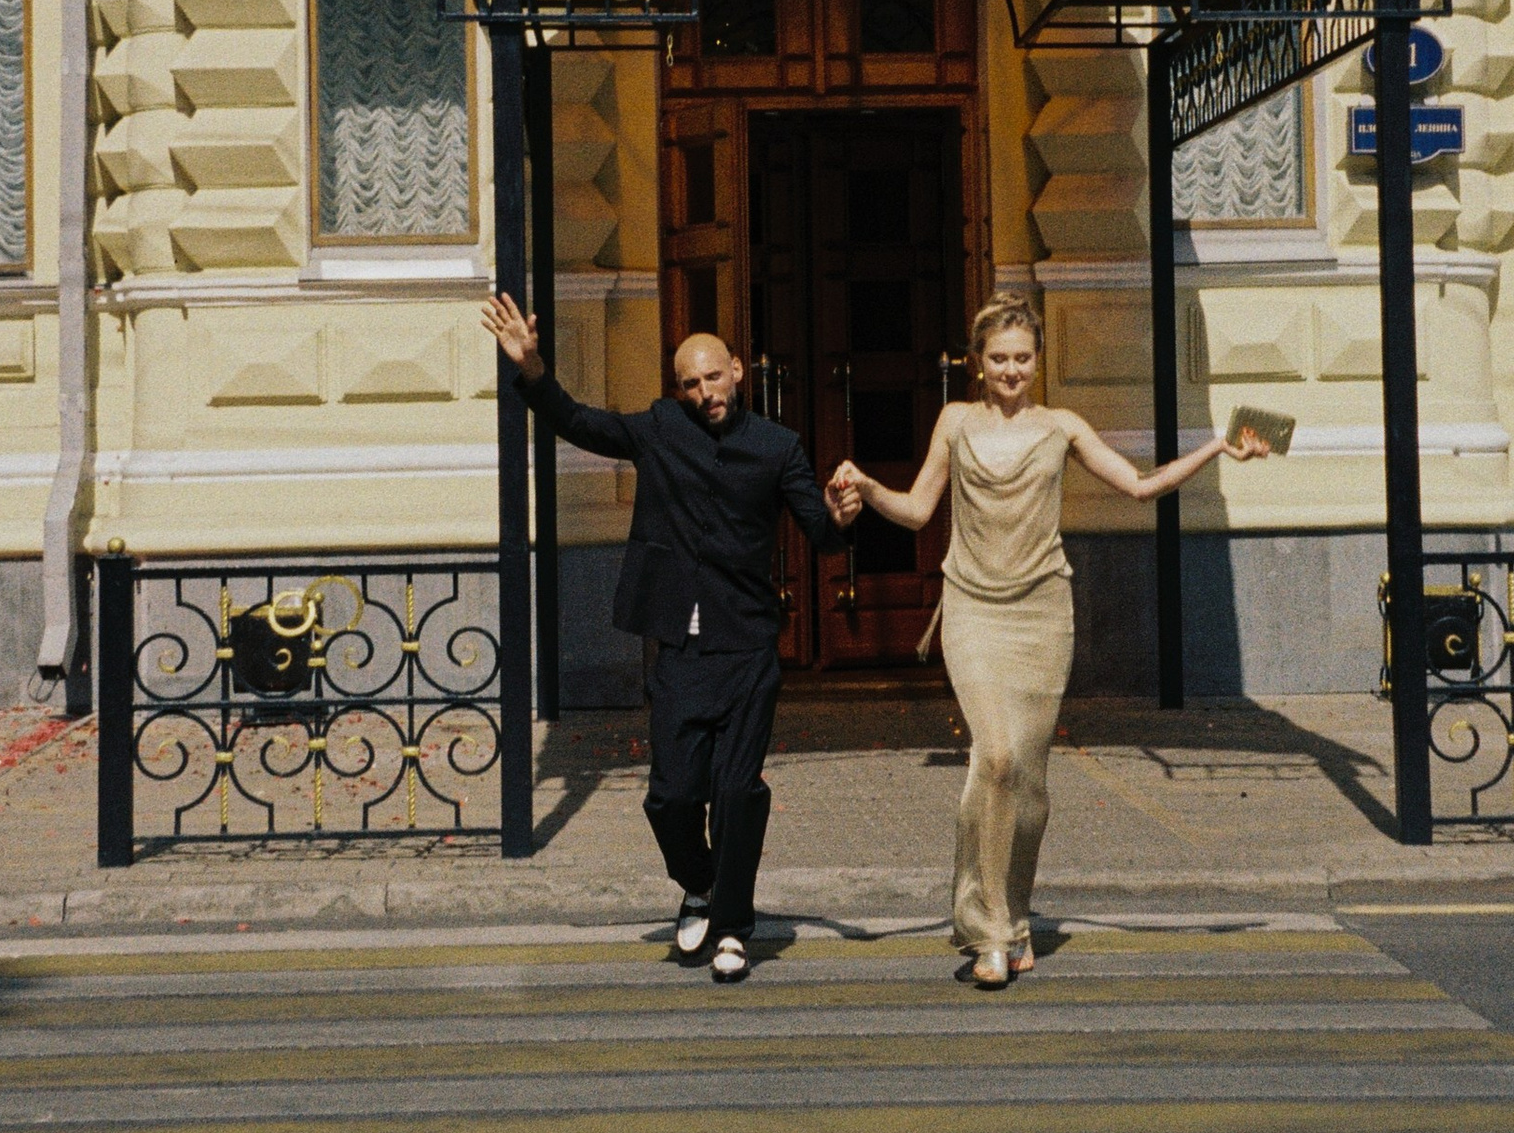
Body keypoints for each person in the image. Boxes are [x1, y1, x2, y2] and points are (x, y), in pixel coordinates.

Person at [831, 295, 1273, 989]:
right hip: (973, 612)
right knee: (995, 759)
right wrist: (865, 486)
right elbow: (917, 511)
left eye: (1022, 358)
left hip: (1042, 617)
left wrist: (1218, 447)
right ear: (978, 363)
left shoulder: (1062, 427)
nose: (1010, 370)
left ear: (1038, 361)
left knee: (1028, 780)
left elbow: (1139, 486)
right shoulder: (954, 423)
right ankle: (989, 932)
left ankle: (1015, 912)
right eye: (998, 359)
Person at [479, 294, 861, 982]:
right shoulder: (661, 427)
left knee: (737, 792)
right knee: (672, 796)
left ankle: (733, 927)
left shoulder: (778, 446)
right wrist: (531, 366)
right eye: (691, 382)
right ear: (678, 388)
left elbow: (822, 533)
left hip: (746, 647)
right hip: (680, 647)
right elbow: (580, 422)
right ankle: (703, 885)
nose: (704, 391)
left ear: (737, 371)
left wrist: (837, 516)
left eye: (714, 376)